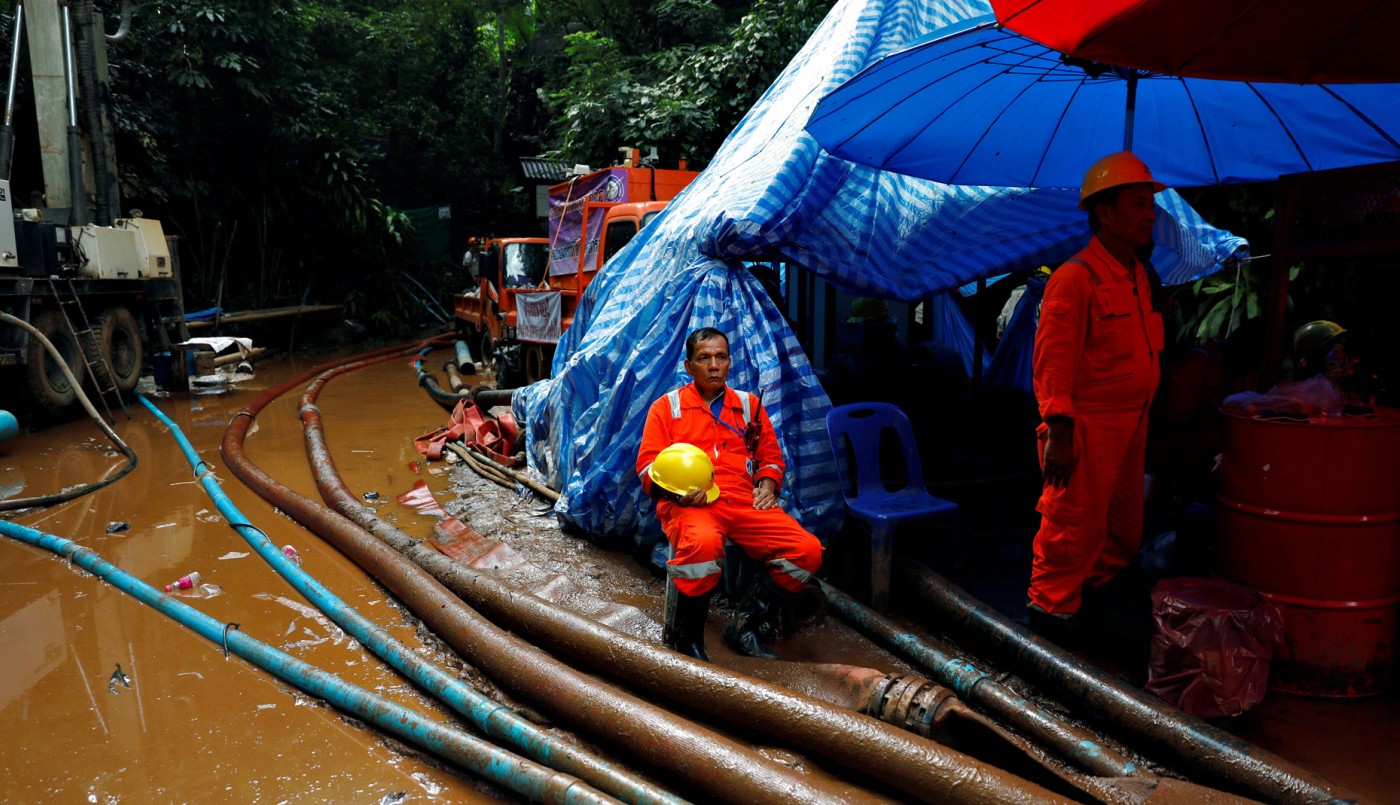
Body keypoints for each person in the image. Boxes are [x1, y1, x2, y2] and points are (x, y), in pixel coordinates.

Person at [1028, 151, 1166, 635]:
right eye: (1138, 202)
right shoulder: (1074, 279)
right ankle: (1050, 617)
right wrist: (1060, 435)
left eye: (1151, 203)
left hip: (1133, 424)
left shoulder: (1137, 277)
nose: (1150, 213)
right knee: (1072, 529)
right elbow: (1052, 366)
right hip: (1086, 428)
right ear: (1104, 212)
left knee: (1121, 533)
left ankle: (1094, 606)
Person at [636, 327, 824, 661]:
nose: (713, 365)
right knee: (703, 547)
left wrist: (767, 486)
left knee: (806, 551)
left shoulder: (749, 406)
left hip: (743, 500)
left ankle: (744, 626)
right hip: (692, 504)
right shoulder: (668, 408)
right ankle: (687, 638)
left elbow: (770, 459)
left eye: (720, 357)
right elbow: (647, 467)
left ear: (729, 363)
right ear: (688, 366)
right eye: (704, 358)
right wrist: (677, 495)